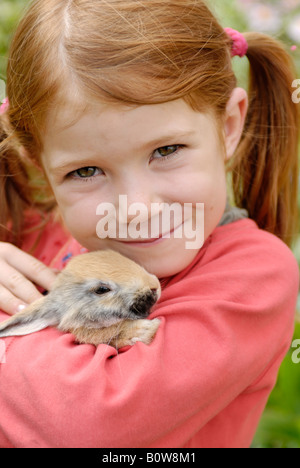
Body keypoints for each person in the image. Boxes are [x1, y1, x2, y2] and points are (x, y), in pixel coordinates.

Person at [0, 0, 299, 448]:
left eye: (166, 150)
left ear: (228, 125)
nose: (136, 209)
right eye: (85, 172)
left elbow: (83, 426)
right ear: (41, 169)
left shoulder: (253, 276)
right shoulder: (33, 232)